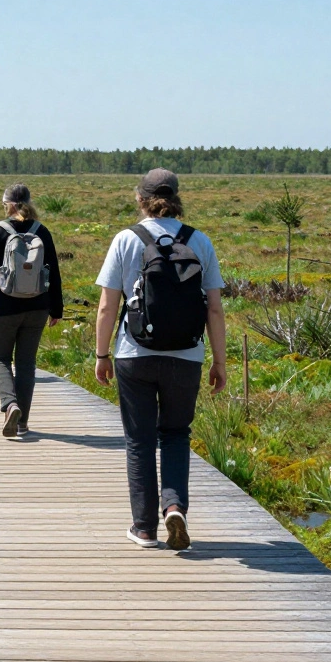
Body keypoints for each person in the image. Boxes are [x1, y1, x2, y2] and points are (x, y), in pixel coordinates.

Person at [93, 168, 227, 552]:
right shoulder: (199, 241)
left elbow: (107, 305)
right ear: (177, 198)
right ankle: (174, 505)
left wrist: (102, 354)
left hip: (134, 354)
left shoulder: (126, 240)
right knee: (175, 434)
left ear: (141, 199)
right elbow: (214, 309)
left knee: (139, 440)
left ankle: (144, 528)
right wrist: (219, 361)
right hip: (186, 355)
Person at [0, 184, 63, 437]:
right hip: (38, 306)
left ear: (8, 205)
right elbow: (53, 271)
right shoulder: (42, 231)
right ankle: (22, 423)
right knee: (26, 364)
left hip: (3, 307)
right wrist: (57, 309)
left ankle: (10, 404)